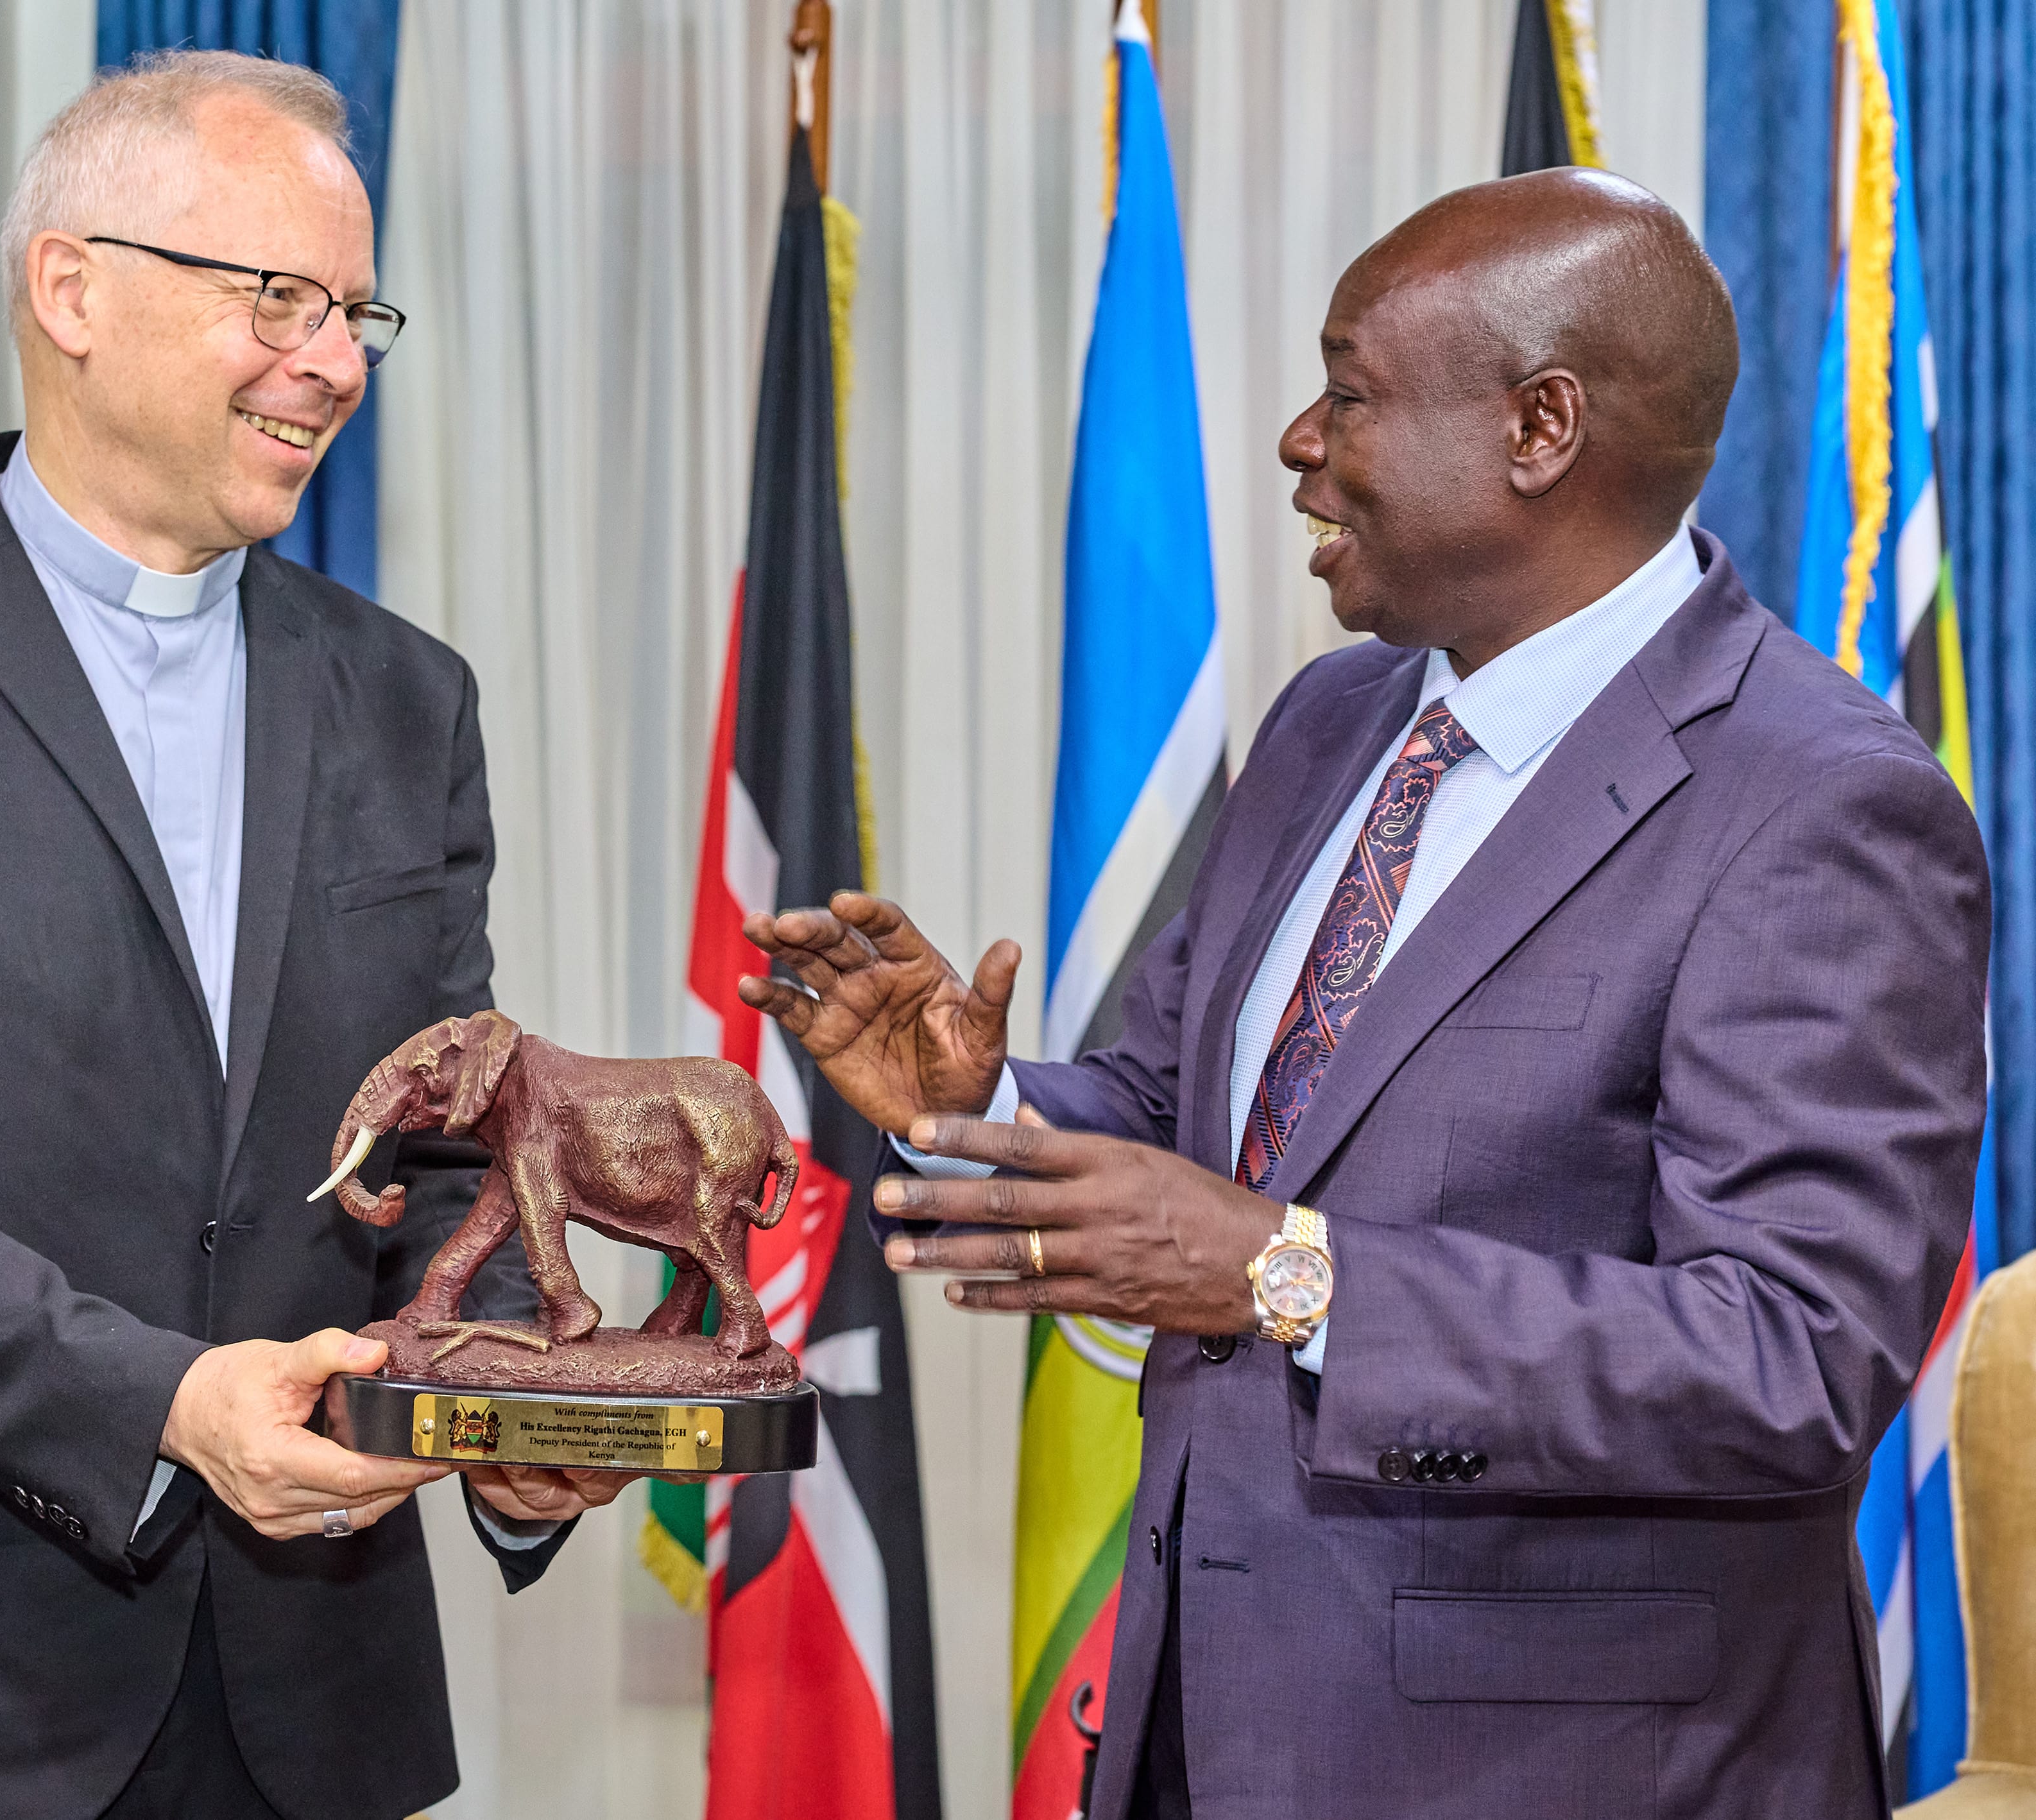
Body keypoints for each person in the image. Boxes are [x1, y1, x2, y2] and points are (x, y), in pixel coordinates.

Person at [742, 169, 1989, 1819]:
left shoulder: (1819, 800)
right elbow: (1215, 1129)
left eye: (1349, 391)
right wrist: (980, 1105)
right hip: (1209, 1728)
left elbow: (1792, 1353)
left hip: (1563, 1772)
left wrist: (1289, 1272)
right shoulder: (1338, 719)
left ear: (1539, 426)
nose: (1294, 441)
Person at [0, 51, 637, 1820]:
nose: (330, 360)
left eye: (354, 312)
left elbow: (427, 1148)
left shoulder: (412, 701)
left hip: (304, 1708)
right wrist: (173, 1402)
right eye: (278, 297)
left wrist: (501, 1430)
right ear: (70, 287)